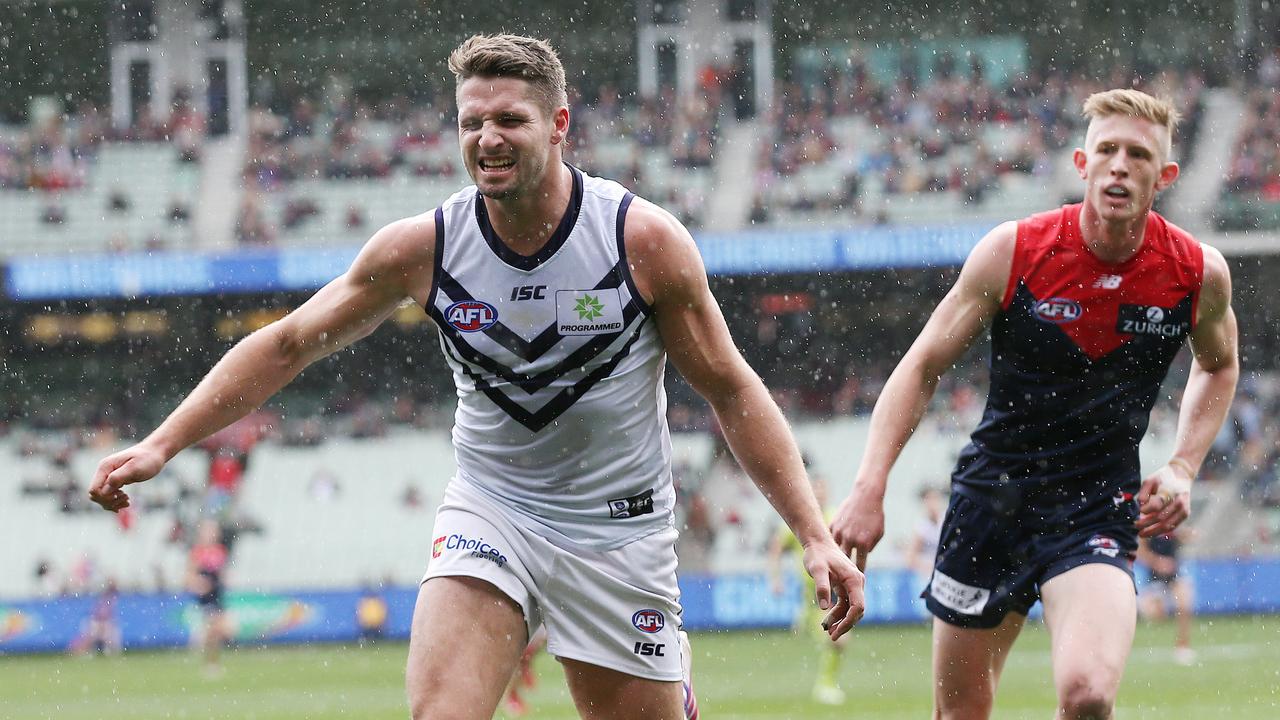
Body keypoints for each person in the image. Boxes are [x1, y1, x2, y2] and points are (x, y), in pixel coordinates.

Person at [89, 33, 865, 720]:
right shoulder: (423, 246)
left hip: (616, 531)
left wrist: (810, 533)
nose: (487, 139)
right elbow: (289, 343)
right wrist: (163, 444)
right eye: (471, 122)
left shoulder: (642, 241)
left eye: (510, 120)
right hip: (493, 511)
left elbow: (730, 388)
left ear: (559, 126)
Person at [830, 88, 1238, 720]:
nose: (1119, 166)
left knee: (1089, 697)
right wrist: (868, 485)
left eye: (1137, 154)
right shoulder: (1014, 250)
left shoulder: (1195, 272)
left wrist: (1184, 464)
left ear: (1166, 175)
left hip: (1096, 507)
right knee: (960, 713)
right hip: (991, 501)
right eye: (1106, 150)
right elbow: (923, 365)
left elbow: (1219, 365)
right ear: (1082, 163)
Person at [767, 473, 847, 705]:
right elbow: (776, 550)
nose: (820, 494)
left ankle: (803, 620)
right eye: (816, 490)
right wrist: (775, 579)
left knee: (840, 640)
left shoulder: (835, 517)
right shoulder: (799, 520)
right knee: (838, 640)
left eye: (823, 489)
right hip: (814, 594)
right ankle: (825, 686)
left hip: (834, 591)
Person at [1136, 530, 1195, 665]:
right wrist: (1157, 562)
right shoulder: (1149, 527)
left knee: (1185, 603)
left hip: (1175, 575)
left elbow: (1186, 536)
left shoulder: (1174, 523)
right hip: (1154, 578)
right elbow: (1140, 551)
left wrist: (1187, 536)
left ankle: (1183, 646)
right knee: (1155, 615)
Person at [188, 519, 231, 676]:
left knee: (222, 631)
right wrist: (199, 583)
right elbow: (189, 577)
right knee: (214, 630)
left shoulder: (220, 551)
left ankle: (211, 661)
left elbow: (222, 575)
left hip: (217, 597)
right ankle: (210, 663)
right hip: (205, 599)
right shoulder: (197, 552)